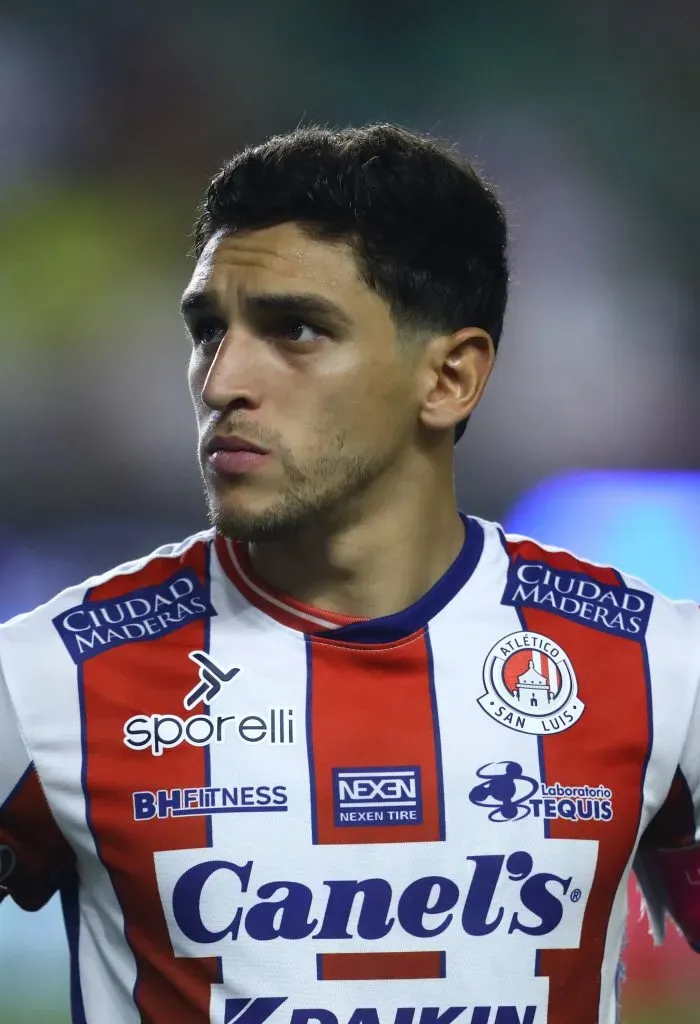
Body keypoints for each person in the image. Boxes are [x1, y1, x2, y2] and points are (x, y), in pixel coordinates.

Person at [0, 123, 697, 1024]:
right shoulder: (51, 679)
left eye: (295, 329)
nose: (221, 381)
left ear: (449, 378)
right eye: (209, 330)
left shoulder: (653, 669)